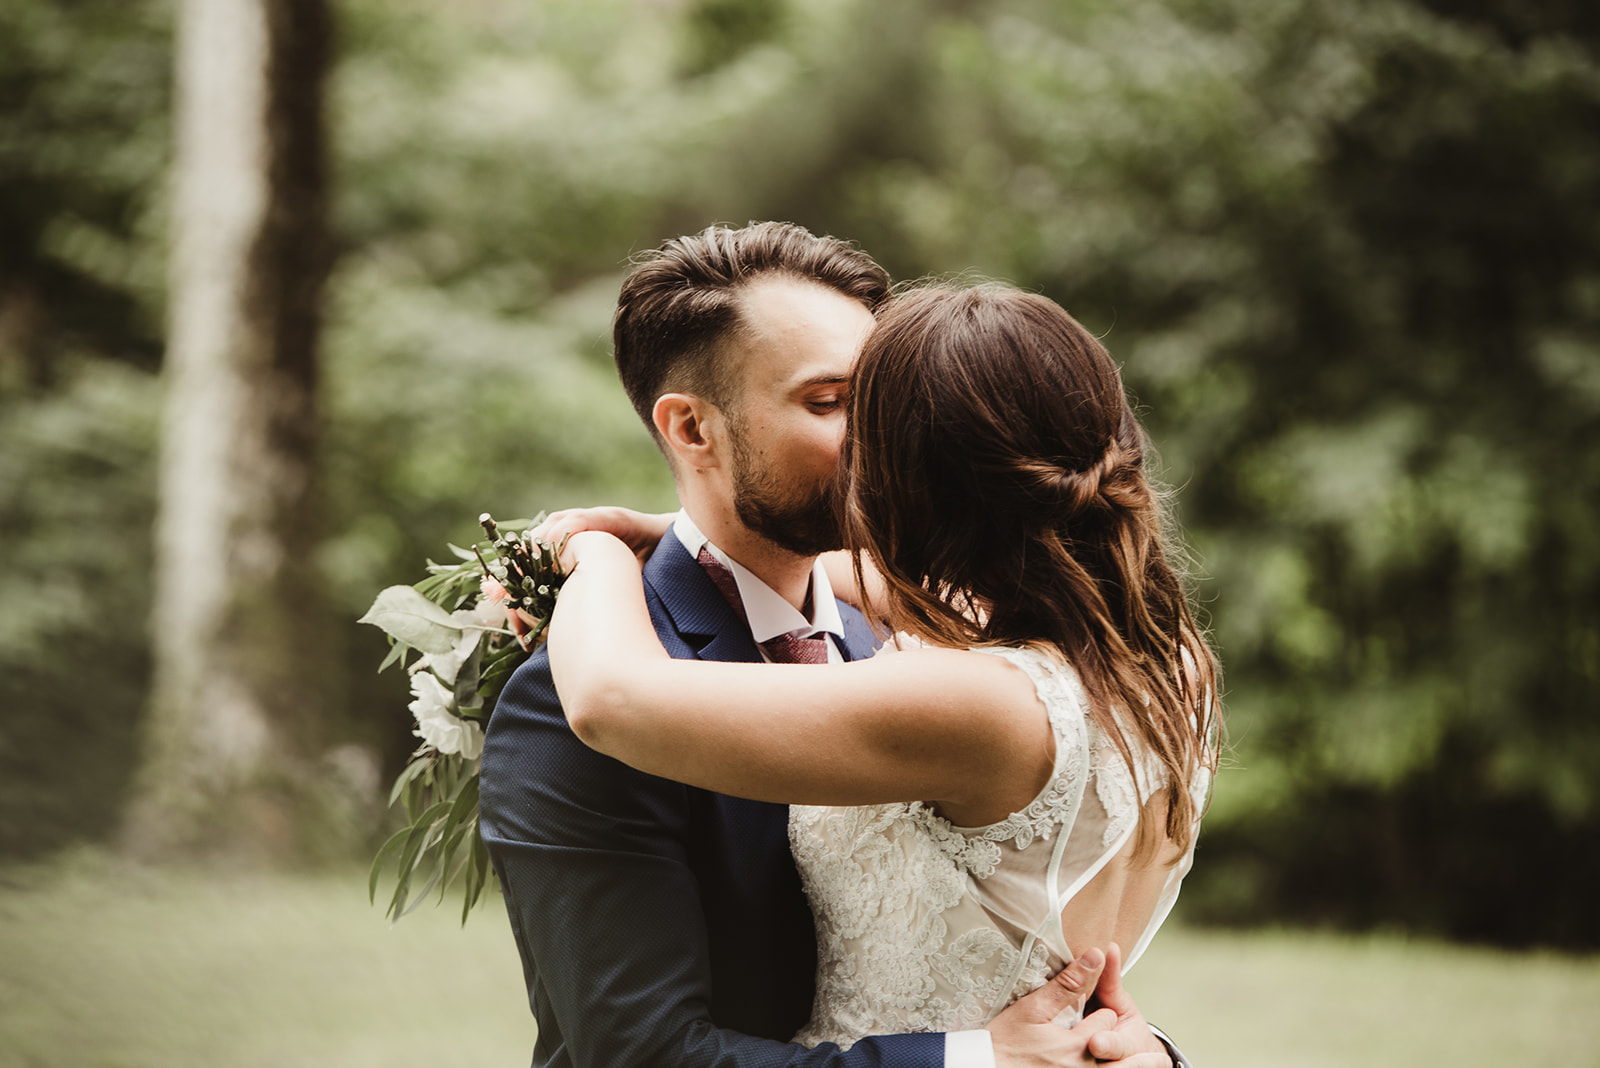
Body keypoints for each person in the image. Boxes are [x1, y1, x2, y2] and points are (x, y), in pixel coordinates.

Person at [479, 222, 1183, 1068]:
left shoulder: (933, 638)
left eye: (882, 406)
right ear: (692, 430)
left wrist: (584, 547)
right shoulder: (562, 693)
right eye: (829, 403)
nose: (876, 442)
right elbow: (641, 1053)